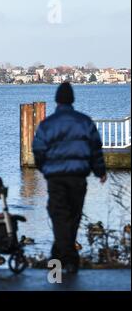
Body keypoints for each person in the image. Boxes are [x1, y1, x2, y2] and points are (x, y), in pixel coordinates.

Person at [33, 82, 107, 274]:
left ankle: (61, 259)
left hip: (56, 178)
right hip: (78, 177)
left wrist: (45, 169)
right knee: (73, 216)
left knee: (59, 216)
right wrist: (100, 171)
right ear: (72, 100)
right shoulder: (85, 122)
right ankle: (67, 259)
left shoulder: (46, 124)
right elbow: (95, 149)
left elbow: (38, 150)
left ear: (57, 100)